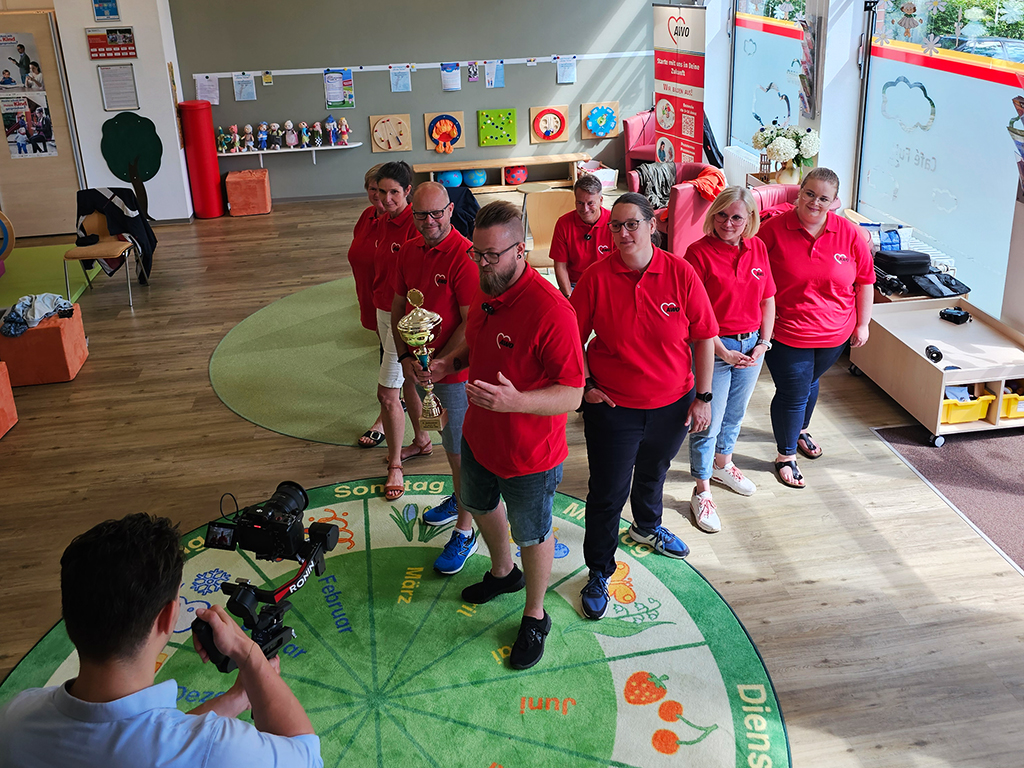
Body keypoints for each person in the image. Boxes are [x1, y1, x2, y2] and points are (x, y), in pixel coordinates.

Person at [0, 514, 322, 768]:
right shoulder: (219, 748)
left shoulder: (16, 717)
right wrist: (247, 653)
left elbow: (145, 738)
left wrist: (236, 699)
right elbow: (306, 757)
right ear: (168, 617)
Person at [570, 192, 718, 620]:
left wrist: (703, 397)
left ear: (653, 226)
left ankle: (648, 528)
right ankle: (599, 570)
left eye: (632, 224)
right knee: (607, 492)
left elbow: (704, 337)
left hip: (673, 404)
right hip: (613, 407)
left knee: (654, 473)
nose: (623, 233)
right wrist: (585, 386)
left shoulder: (680, 273)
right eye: (615, 226)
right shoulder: (595, 278)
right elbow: (570, 338)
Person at [458, 201, 584, 669]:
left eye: (493, 255)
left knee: (532, 533)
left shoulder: (552, 311)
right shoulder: (487, 287)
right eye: (478, 253)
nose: (483, 264)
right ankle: (502, 572)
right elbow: (475, 344)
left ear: (522, 250)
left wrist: (517, 402)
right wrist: (447, 362)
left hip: (530, 454)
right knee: (478, 503)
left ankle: (535, 614)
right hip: (479, 435)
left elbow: (573, 393)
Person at [758, 167, 874, 489]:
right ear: (799, 193)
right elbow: (752, 273)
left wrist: (863, 324)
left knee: (810, 382)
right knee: (794, 392)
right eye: (809, 194)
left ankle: (800, 430)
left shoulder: (850, 234)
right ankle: (785, 456)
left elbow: (865, 281)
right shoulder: (772, 230)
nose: (815, 202)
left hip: (835, 334)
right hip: (786, 332)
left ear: (834, 201)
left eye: (824, 198)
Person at [390, 182, 478, 575]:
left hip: (455, 375)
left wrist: (442, 363)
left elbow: (470, 322)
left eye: (437, 213)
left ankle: (466, 530)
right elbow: (398, 307)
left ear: (450, 210)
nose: (430, 221)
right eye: (422, 215)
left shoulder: (465, 256)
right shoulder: (409, 251)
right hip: (421, 368)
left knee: (460, 452)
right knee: (445, 442)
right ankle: (461, 500)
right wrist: (406, 357)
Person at [684, 187, 776, 532]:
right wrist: (721, 350)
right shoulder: (697, 253)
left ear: (749, 218)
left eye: (736, 217)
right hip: (713, 347)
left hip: (751, 346)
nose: (728, 223)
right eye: (721, 215)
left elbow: (768, 300)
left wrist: (763, 344)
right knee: (708, 420)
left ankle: (723, 464)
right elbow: (695, 315)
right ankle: (702, 489)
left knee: (735, 415)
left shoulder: (758, 248)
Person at [370, 161, 423, 501]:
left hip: (401, 317)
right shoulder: (381, 221)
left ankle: (394, 465)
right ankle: (422, 440)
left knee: (387, 394)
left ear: (407, 192)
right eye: (381, 191)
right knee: (407, 383)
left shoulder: (414, 227)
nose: (386, 199)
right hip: (381, 308)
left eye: (394, 192)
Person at [348, 164, 389, 449]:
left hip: (392, 304)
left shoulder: (403, 222)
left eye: (385, 190)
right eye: (373, 189)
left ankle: (384, 418)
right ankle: (400, 398)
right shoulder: (367, 216)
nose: (379, 196)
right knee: (386, 354)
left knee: (391, 361)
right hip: (369, 299)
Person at [550, 174, 615, 298]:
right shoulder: (563, 224)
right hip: (575, 284)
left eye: (590, 203)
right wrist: (569, 296)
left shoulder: (615, 223)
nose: (585, 209)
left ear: (601, 200)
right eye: (580, 203)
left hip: (607, 282)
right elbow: (560, 266)